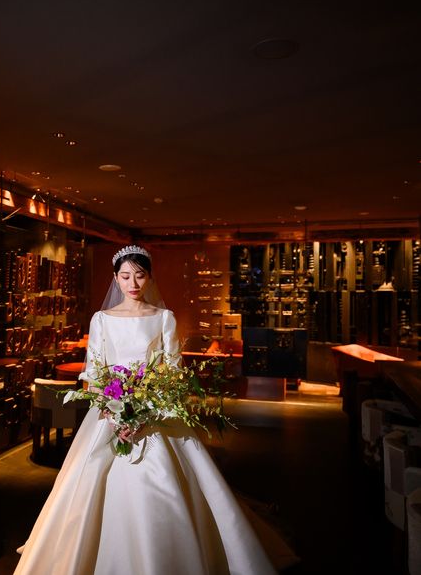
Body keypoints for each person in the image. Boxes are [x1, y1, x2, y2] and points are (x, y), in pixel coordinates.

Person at [15, 245, 298, 575]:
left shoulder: (163, 318)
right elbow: (94, 373)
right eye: (125, 276)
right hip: (109, 414)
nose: (132, 283)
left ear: (149, 277)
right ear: (115, 279)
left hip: (155, 412)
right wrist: (114, 413)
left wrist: (145, 412)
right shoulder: (102, 319)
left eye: (139, 275)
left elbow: (172, 372)